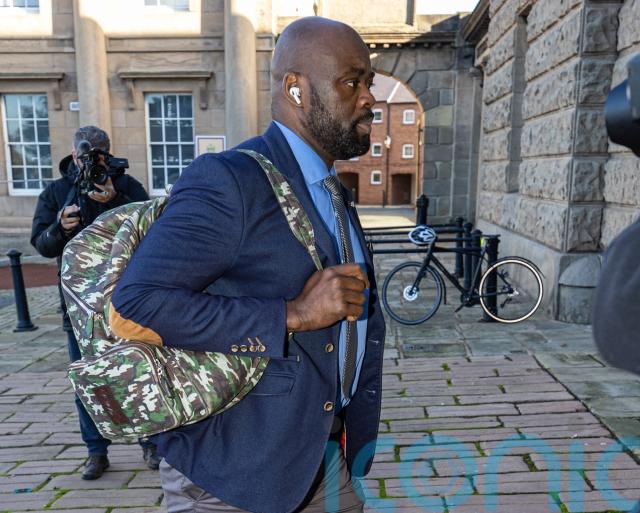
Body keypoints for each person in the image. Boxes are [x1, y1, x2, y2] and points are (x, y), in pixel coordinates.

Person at [109, 16, 385, 513]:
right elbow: (137, 304)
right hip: (232, 474)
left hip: (322, 458)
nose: (369, 98)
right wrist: (293, 315)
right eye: (352, 82)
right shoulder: (231, 179)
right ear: (296, 88)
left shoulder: (331, 190)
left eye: (369, 82)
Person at [30, 125, 159, 480]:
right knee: (88, 380)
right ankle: (96, 452)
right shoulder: (56, 193)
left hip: (124, 300)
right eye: (87, 156)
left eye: (101, 155)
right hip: (78, 305)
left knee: (138, 372)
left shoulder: (127, 186)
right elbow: (42, 244)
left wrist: (115, 201)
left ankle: (150, 442)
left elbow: (152, 233)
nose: (93, 162)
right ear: (74, 155)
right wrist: (60, 227)